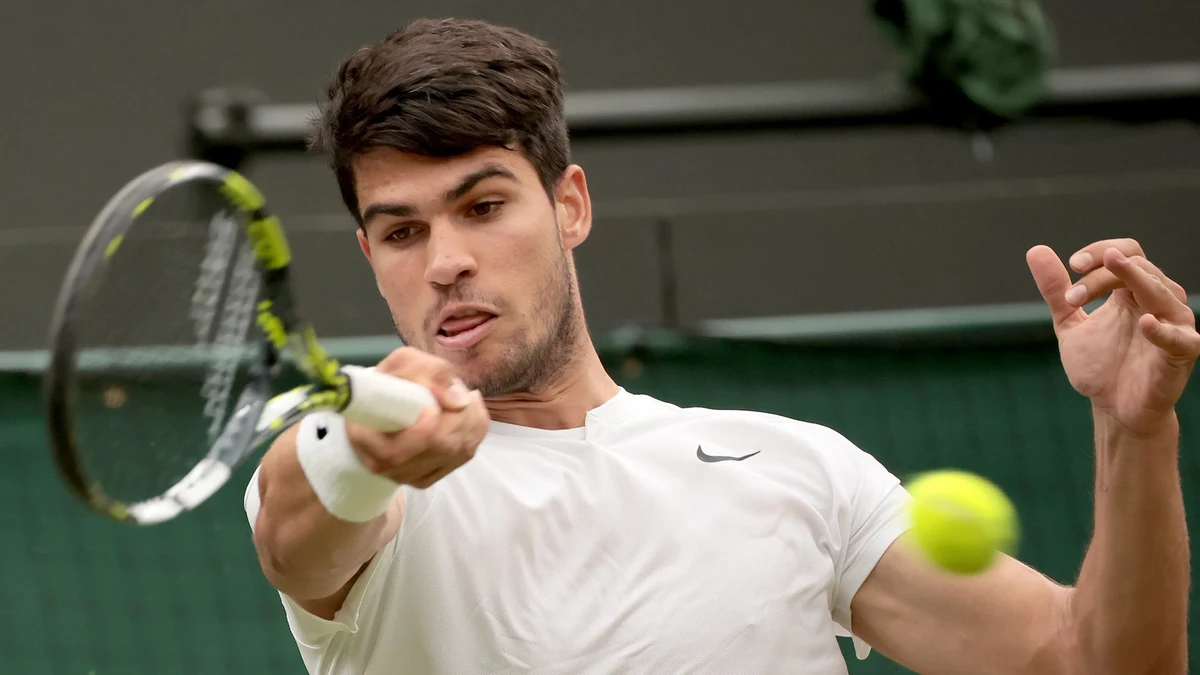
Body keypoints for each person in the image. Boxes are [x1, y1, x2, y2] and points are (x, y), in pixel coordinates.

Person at [243, 17, 1195, 675]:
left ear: (569, 204)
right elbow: (298, 526)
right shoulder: (367, 484)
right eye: (403, 233)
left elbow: (1093, 662)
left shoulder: (798, 469)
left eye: (484, 206)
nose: (446, 260)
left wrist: (1132, 428)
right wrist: (367, 444)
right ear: (370, 255)